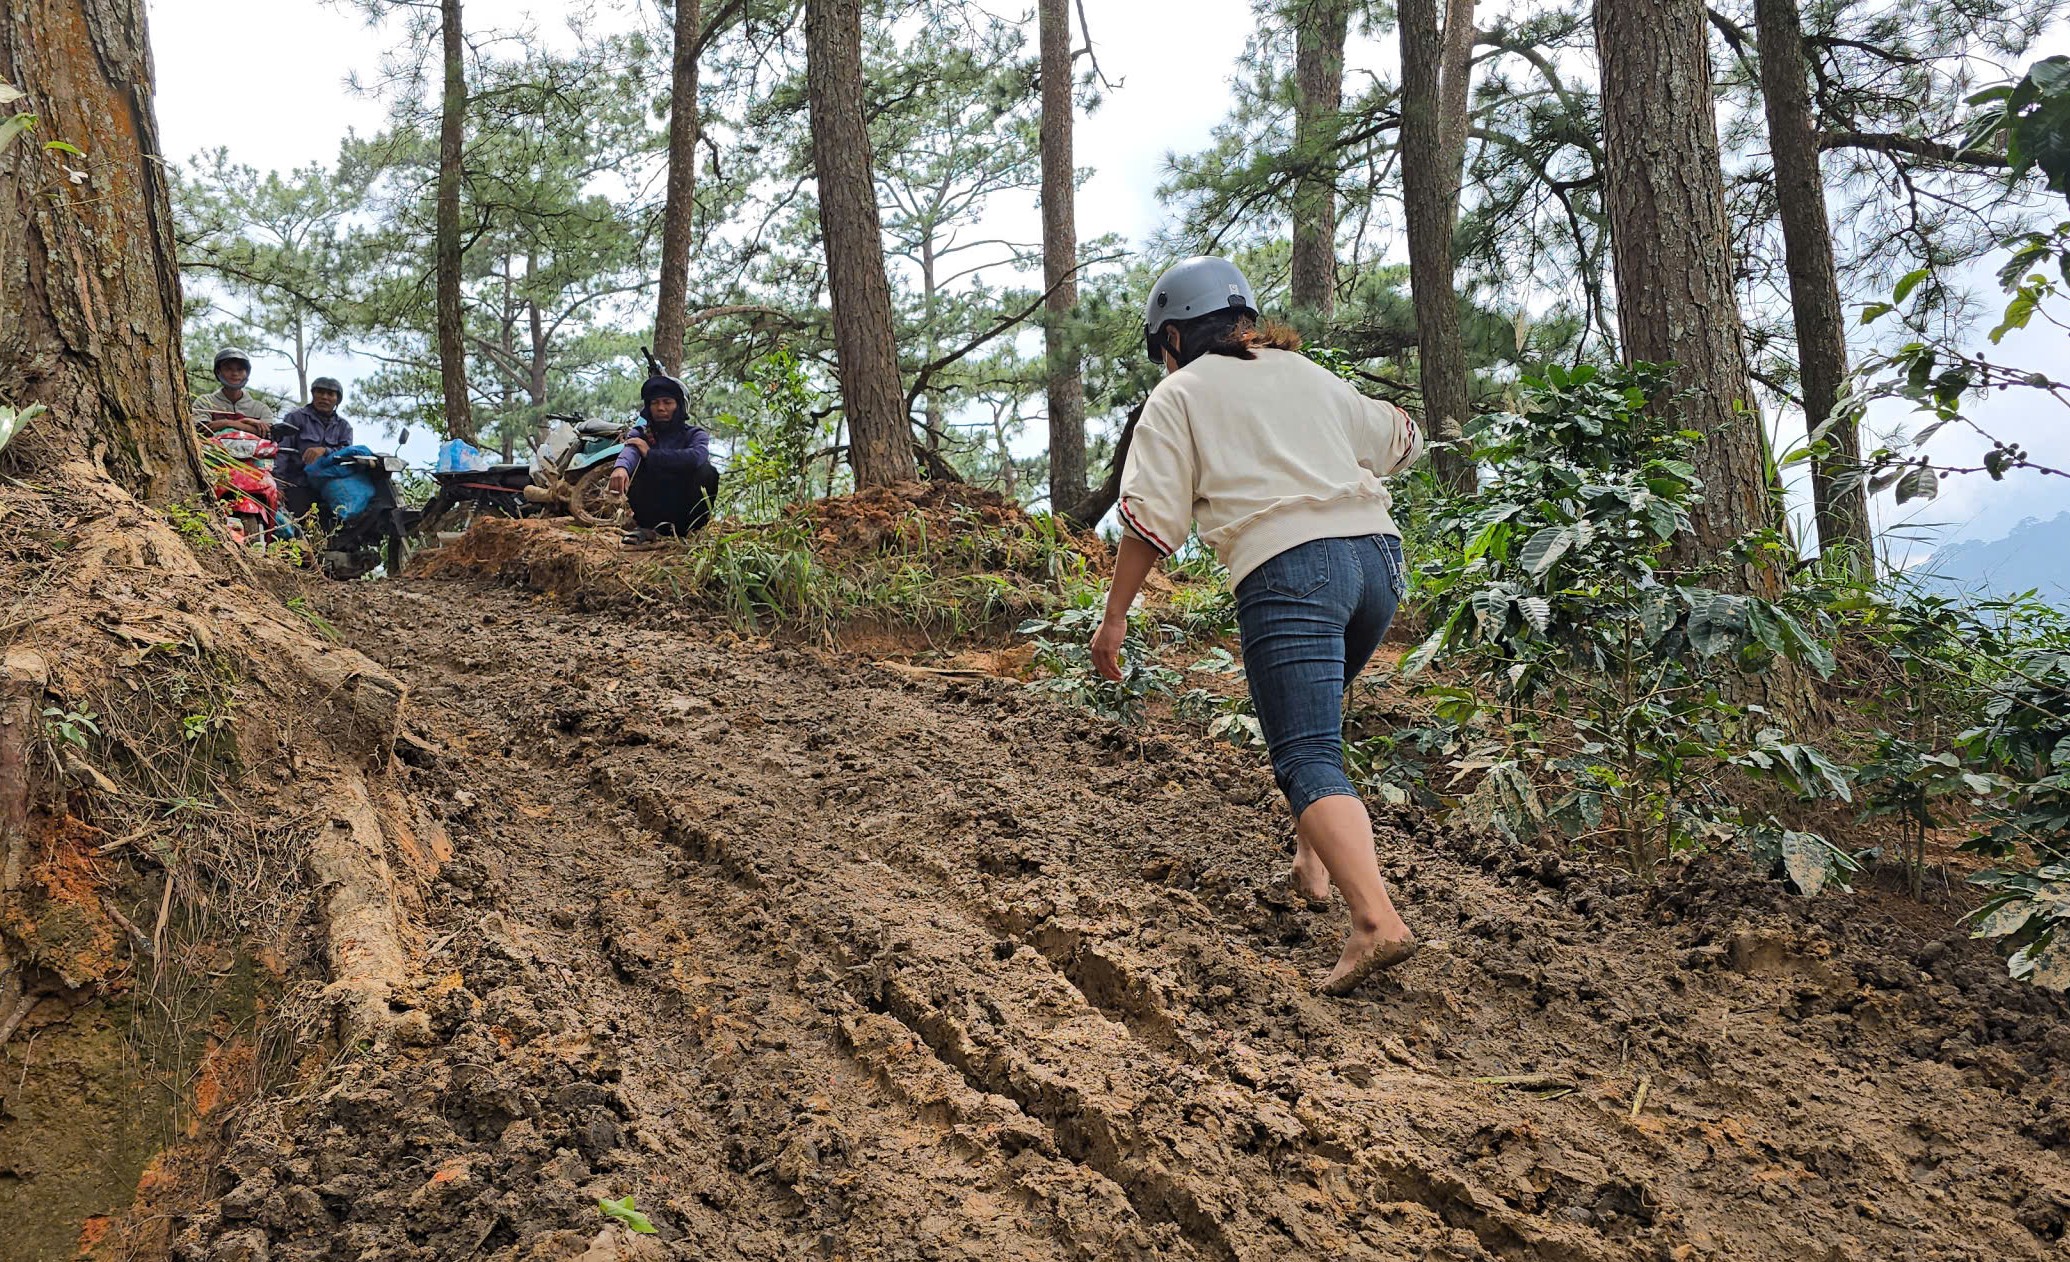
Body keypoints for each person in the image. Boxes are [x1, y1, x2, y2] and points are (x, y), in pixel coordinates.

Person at [1093, 256, 1427, 997]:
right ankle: (1312, 864)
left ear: (1173, 336)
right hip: (1377, 561)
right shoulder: (1302, 371)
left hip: (1290, 568)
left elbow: (1151, 520)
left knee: (1305, 754)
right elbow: (1404, 439)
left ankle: (1375, 921)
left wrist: (1115, 618)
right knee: (1317, 719)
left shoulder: (1178, 395)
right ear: (1243, 318)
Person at [607, 370, 719, 542]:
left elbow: (697, 456)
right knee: (636, 466)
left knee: (706, 471)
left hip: (686, 515)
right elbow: (631, 450)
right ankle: (646, 529)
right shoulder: (641, 433)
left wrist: (652, 455)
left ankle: (692, 532)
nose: (660, 408)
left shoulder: (695, 434)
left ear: (679, 406)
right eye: (655, 403)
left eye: (667, 402)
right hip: (651, 512)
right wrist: (620, 467)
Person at [274, 377, 355, 530]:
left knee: (337, 527)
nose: (324, 397)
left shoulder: (344, 427)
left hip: (329, 487)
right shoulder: (295, 417)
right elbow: (281, 454)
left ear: (337, 400)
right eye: (320, 392)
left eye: (330, 394)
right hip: (298, 484)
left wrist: (325, 451)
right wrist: (278, 486)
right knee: (298, 530)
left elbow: (347, 454)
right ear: (313, 394)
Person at [190, 347, 276, 437]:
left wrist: (228, 423)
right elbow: (203, 430)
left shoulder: (260, 409)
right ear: (218, 372)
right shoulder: (205, 402)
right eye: (228, 369)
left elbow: (269, 434)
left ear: (247, 373)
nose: (235, 373)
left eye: (240, 369)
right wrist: (249, 424)